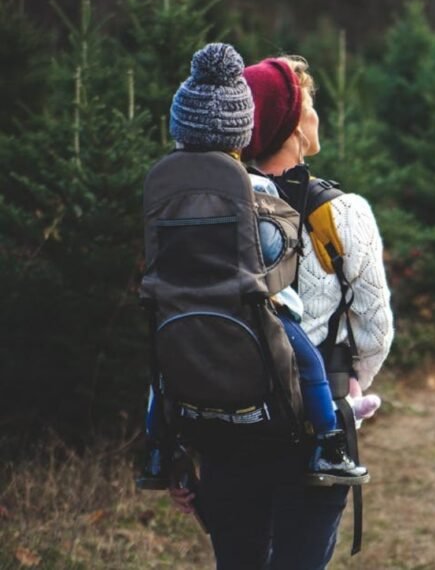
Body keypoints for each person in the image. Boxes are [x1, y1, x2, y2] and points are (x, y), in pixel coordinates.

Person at [170, 51, 394, 569]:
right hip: (311, 437)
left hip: (225, 427)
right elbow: (375, 330)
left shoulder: (209, 210)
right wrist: (350, 388)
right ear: (293, 124)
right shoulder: (341, 212)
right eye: (310, 103)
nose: (316, 113)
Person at [136, 43, 371, 491]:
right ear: (240, 132)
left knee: (161, 371)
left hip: (176, 302)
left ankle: (156, 450)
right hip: (247, 302)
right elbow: (270, 246)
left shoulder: (164, 184)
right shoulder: (252, 185)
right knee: (307, 362)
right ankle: (330, 445)